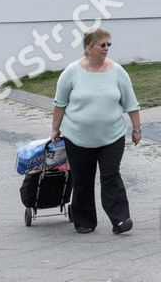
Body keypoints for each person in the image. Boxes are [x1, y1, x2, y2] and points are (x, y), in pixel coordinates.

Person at [50, 28, 142, 236]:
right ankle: (84, 220)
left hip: (112, 136)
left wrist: (137, 129)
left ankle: (120, 219)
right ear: (88, 47)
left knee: (111, 175)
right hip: (77, 136)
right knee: (83, 178)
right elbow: (60, 103)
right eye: (102, 45)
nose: (107, 48)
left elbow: (130, 102)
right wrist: (55, 129)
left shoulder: (118, 72)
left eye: (109, 44)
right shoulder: (72, 72)